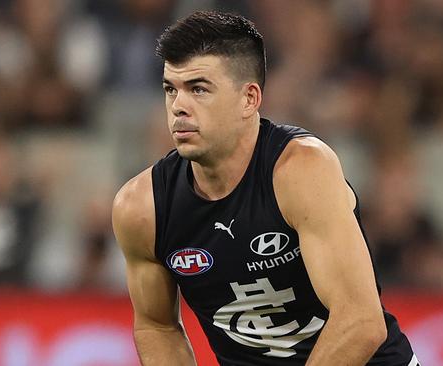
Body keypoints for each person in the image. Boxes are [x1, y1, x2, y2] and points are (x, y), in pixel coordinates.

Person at [112, 10, 418, 366]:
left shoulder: (301, 171)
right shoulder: (141, 207)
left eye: (198, 89)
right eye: (170, 89)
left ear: (250, 99)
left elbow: (361, 322)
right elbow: (157, 328)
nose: (179, 107)